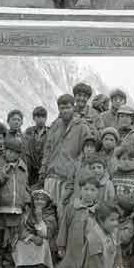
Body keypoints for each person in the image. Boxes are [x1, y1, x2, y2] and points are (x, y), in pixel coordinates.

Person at [39, 94, 91, 222]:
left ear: (73, 107)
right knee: (47, 214)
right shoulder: (55, 126)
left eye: (68, 107)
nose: (65, 111)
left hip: (68, 178)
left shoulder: (82, 126)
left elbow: (86, 152)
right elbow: (48, 149)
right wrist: (43, 169)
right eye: (62, 108)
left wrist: (75, 171)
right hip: (51, 176)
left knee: (64, 214)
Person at [56, 175, 99, 268]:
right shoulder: (71, 208)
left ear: (98, 192)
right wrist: (61, 246)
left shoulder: (99, 210)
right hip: (74, 251)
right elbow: (64, 227)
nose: (89, 193)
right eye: (86, 189)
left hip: (90, 251)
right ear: (80, 190)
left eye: (93, 190)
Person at [72, 202, 125, 268]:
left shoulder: (114, 231)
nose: (116, 223)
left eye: (117, 219)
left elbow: (117, 253)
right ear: (101, 220)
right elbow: (92, 266)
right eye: (112, 220)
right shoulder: (94, 238)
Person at [0, 138, 30, 268]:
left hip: (16, 209)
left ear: (18, 153)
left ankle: (7, 263)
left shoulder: (23, 167)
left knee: (12, 238)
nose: (10, 154)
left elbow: (24, 186)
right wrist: (4, 171)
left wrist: (26, 200)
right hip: (0, 207)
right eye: (8, 151)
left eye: (14, 152)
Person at [13, 189, 58, 268]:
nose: (39, 202)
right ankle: (24, 262)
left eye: (42, 199)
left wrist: (40, 219)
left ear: (47, 202)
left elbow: (47, 234)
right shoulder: (28, 212)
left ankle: (42, 262)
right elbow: (22, 228)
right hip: (31, 236)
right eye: (36, 199)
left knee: (42, 242)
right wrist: (31, 237)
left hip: (45, 238)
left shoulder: (50, 214)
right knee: (20, 243)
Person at [112, 146, 134, 215]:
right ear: (118, 160)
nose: (127, 162)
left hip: (131, 211)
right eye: (124, 159)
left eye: (130, 160)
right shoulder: (113, 176)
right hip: (114, 210)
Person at [24, 106, 49, 187]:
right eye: (38, 116)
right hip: (31, 167)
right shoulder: (29, 131)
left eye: (43, 117)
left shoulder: (50, 131)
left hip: (44, 167)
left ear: (46, 118)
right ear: (34, 118)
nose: (40, 119)